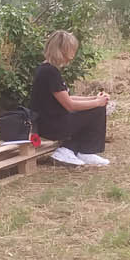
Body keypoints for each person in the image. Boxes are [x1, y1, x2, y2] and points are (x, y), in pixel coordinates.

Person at [29, 30, 111, 167]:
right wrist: (97, 103)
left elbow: (67, 97)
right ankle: (82, 151)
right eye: (71, 50)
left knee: (96, 107)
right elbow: (70, 105)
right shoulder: (50, 72)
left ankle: (72, 150)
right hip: (51, 126)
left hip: (48, 122)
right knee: (97, 110)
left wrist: (93, 98)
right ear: (62, 50)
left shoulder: (46, 69)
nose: (73, 55)